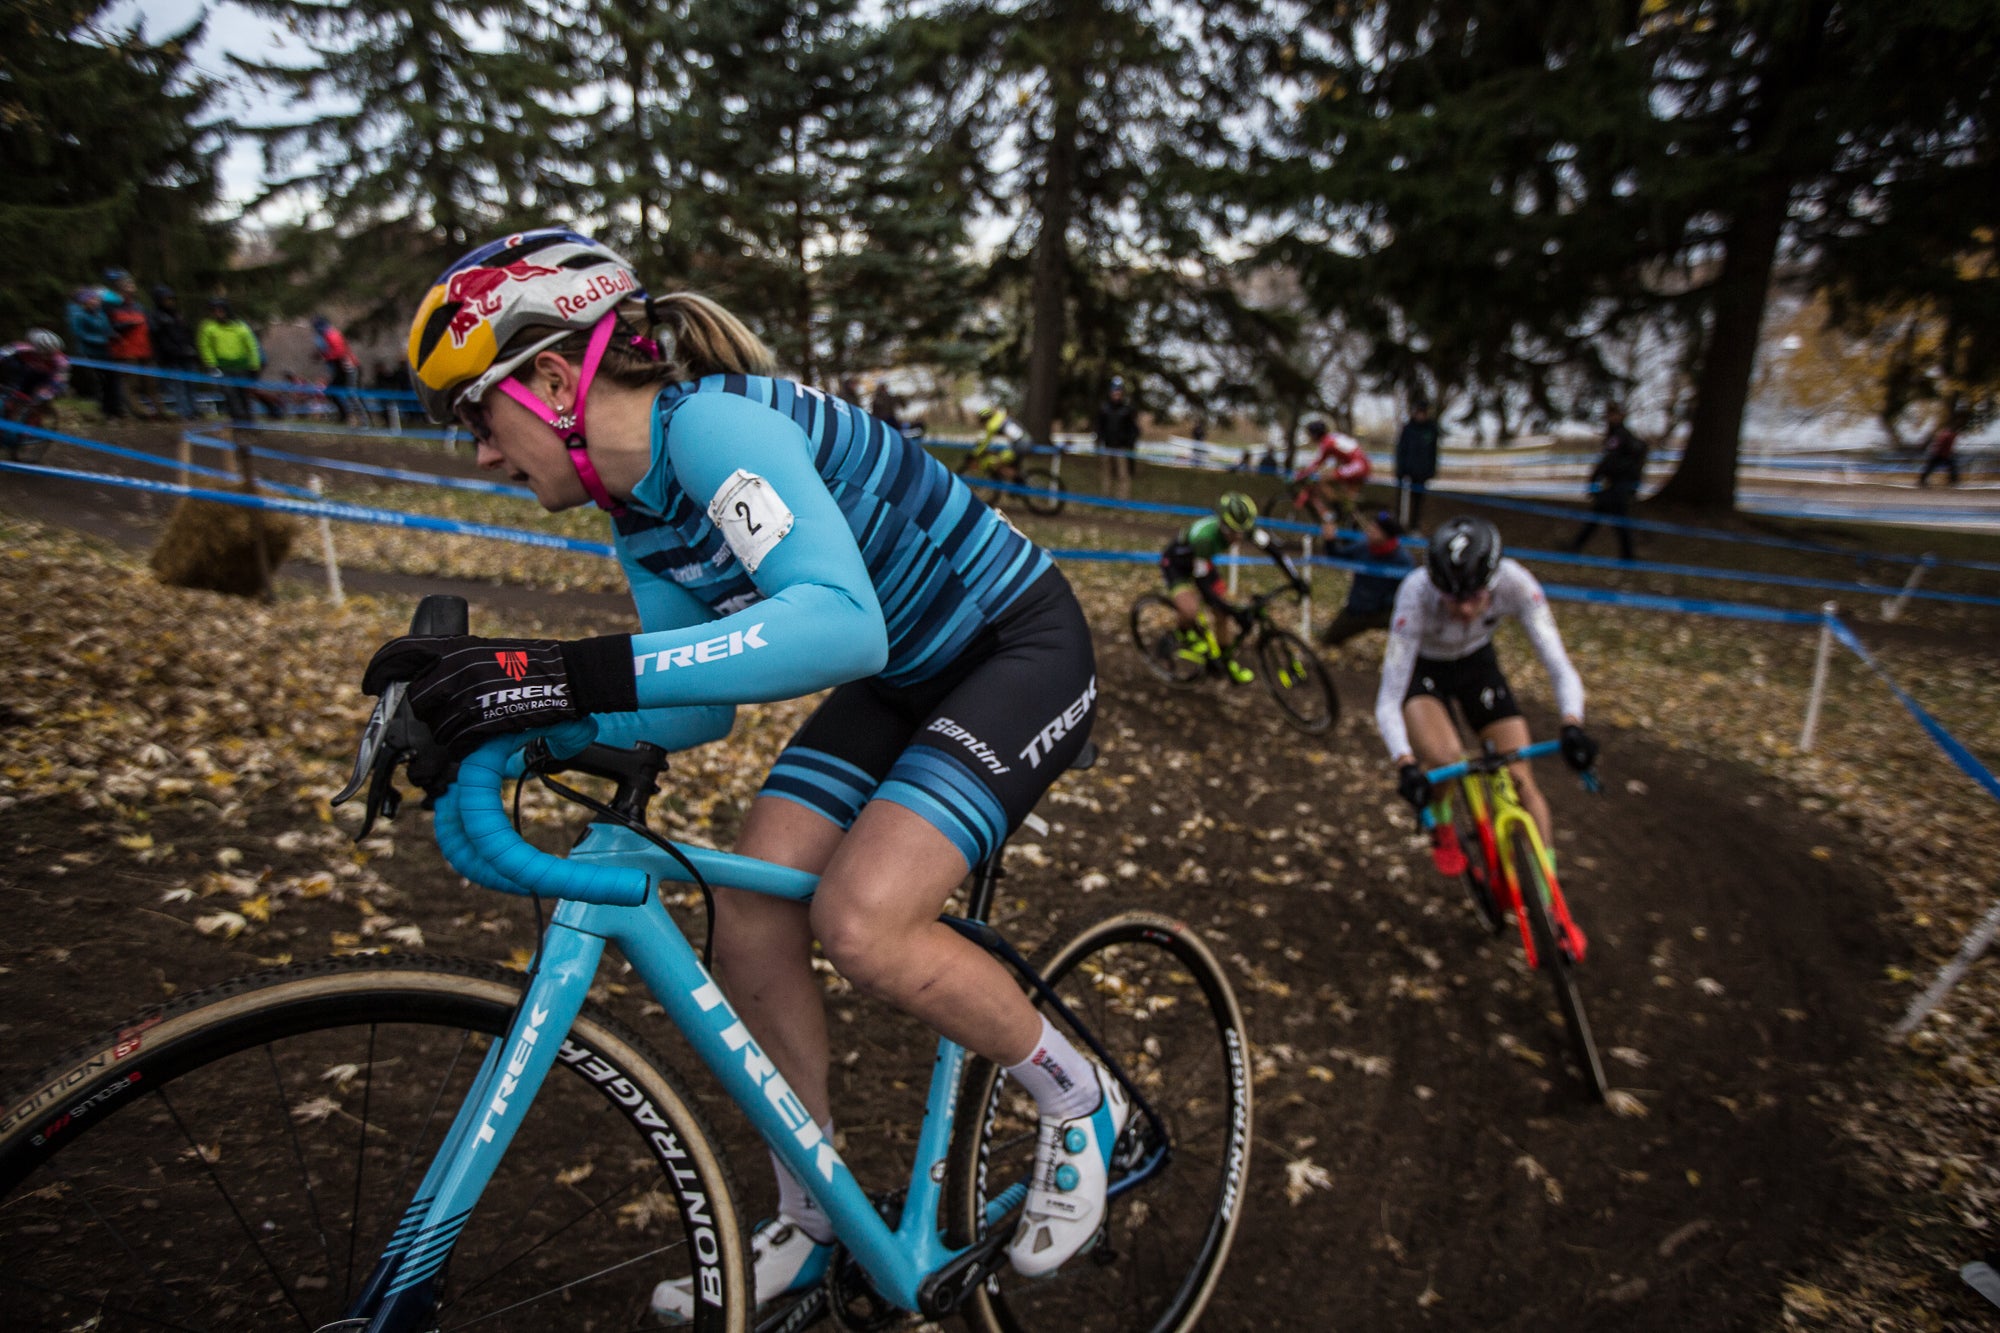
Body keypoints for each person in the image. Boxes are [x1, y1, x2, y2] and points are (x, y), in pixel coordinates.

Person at [365, 230, 1120, 1316]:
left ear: (543, 379)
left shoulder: (714, 426)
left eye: (470, 411)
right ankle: (810, 1215)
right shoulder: (638, 508)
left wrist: (561, 674)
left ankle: (1073, 1095)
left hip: (1014, 649)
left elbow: (840, 623)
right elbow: (699, 700)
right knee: (752, 907)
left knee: (863, 920)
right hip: (906, 673)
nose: (477, 451)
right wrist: (527, 723)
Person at [1376, 515, 1596, 878]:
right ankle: (1442, 818)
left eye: (1475, 597)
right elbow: (1388, 699)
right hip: (1424, 671)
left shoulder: (1517, 583)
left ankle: (1548, 894)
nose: (1463, 610)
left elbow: (1558, 665)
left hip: (1477, 666)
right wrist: (1405, 763)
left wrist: (1572, 722)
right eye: (1451, 598)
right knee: (1445, 757)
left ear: (1493, 583)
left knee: (1521, 778)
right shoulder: (1414, 593)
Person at [1157, 491, 1308, 684]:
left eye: (1241, 532)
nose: (1238, 537)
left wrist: (1295, 579)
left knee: (1222, 615)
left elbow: (1275, 552)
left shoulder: (1245, 526)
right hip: (1177, 565)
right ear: (1222, 524)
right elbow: (1204, 587)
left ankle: (1223, 661)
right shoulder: (1205, 538)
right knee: (1190, 610)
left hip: (1203, 563)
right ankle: (1178, 634)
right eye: (1233, 532)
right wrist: (1230, 610)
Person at [1319, 510, 1417, 650]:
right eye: (1372, 526)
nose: (1369, 530)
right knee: (1328, 640)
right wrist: (1330, 541)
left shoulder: (1403, 560)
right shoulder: (1363, 547)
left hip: (1385, 612)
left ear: (1386, 535)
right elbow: (1337, 556)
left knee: (1409, 632)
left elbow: (1409, 592)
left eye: (1376, 529)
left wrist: (1384, 602)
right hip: (1358, 610)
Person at [1566, 404, 1647, 560]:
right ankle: (1576, 546)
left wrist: (1597, 477)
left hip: (1618, 486)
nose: (1610, 418)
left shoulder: (1621, 436)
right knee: (1599, 518)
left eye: (1613, 414)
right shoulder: (1617, 435)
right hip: (1613, 485)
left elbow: (1611, 460)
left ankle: (1627, 554)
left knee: (1615, 520)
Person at [1292, 417, 1371, 538]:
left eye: (1310, 435)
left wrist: (1299, 476)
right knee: (1349, 503)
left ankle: (1336, 507)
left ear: (1315, 434)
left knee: (1322, 479)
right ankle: (1348, 520)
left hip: (1357, 465)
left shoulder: (1327, 443)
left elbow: (1317, 463)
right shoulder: (1333, 438)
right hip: (1361, 464)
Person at [197, 298, 271, 421]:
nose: (218, 314)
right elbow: (205, 346)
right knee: (230, 395)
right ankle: (238, 421)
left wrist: (255, 365)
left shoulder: (240, 326)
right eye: (215, 311)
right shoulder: (209, 328)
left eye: (220, 311)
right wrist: (211, 364)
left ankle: (249, 422)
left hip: (242, 366)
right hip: (223, 367)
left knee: (244, 395)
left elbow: (251, 346)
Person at [103, 270, 161, 419]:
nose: (131, 286)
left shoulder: (139, 306)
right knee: (131, 383)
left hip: (144, 348)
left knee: (151, 382)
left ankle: (159, 410)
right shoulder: (111, 305)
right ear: (119, 287)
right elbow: (110, 326)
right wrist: (127, 325)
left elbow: (149, 325)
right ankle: (139, 412)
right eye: (127, 283)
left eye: (131, 283)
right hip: (125, 350)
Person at [0, 329, 70, 438]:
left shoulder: (61, 361)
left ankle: (32, 426)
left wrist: (44, 395)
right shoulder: (21, 348)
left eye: (49, 354)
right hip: (29, 372)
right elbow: (3, 354)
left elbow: (59, 382)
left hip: (48, 377)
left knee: (38, 401)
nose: (46, 357)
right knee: (13, 397)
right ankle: (6, 422)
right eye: (43, 354)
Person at [148, 286, 202, 419]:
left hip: (187, 355)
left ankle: (194, 409)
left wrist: (192, 349)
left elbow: (187, 333)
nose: (170, 302)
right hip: (172, 357)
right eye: (166, 299)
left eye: (171, 299)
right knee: (179, 386)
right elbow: (159, 339)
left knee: (191, 385)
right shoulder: (156, 317)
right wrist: (170, 352)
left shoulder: (178, 315)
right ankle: (185, 412)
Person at [65, 287, 115, 418]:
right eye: (92, 299)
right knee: (95, 380)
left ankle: (111, 408)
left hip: (104, 352)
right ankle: (99, 409)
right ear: (85, 301)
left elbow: (107, 329)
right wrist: (102, 340)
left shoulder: (102, 314)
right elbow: (79, 334)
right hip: (88, 352)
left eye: (96, 299)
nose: (95, 301)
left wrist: (111, 337)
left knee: (108, 380)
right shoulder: (79, 315)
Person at [1393, 401, 1440, 528]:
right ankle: (1399, 525)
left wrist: (1431, 470)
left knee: (1418, 501)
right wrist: (1400, 469)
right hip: (1406, 471)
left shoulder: (1431, 430)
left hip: (1422, 472)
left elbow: (1433, 452)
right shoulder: (1408, 429)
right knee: (1402, 500)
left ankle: (1414, 526)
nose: (1420, 416)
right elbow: (1401, 450)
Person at [1094, 375, 1139, 500]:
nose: (1117, 393)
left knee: (1123, 474)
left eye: (1119, 391)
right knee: (1106, 473)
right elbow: (1099, 427)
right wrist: (1100, 440)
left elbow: (1133, 429)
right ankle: (1105, 497)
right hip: (1107, 446)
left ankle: (1122, 498)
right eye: (1114, 391)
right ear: (1110, 392)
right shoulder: (1104, 408)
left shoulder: (1127, 409)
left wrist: (1129, 443)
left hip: (1122, 447)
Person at [312, 315, 361, 423]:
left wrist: (324, 356)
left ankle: (360, 419)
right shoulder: (324, 337)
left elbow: (339, 351)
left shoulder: (332, 334)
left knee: (351, 394)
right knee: (331, 391)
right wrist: (320, 355)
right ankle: (345, 416)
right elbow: (327, 351)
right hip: (339, 368)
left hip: (348, 367)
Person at [971, 403, 1030, 483]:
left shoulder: (992, 425)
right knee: (1004, 460)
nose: (982, 424)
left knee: (997, 463)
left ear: (984, 419)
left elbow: (986, 443)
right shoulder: (1001, 417)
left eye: (981, 421)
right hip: (1025, 440)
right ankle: (1017, 482)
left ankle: (1020, 480)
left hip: (1020, 445)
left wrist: (975, 453)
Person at [1919, 415, 1961, 487]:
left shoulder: (1945, 434)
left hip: (1939, 454)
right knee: (1952, 467)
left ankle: (1922, 480)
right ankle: (1954, 481)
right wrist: (1945, 452)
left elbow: (1940, 444)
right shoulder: (1949, 435)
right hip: (1941, 454)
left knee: (1930, 467)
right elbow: (1944, 446)